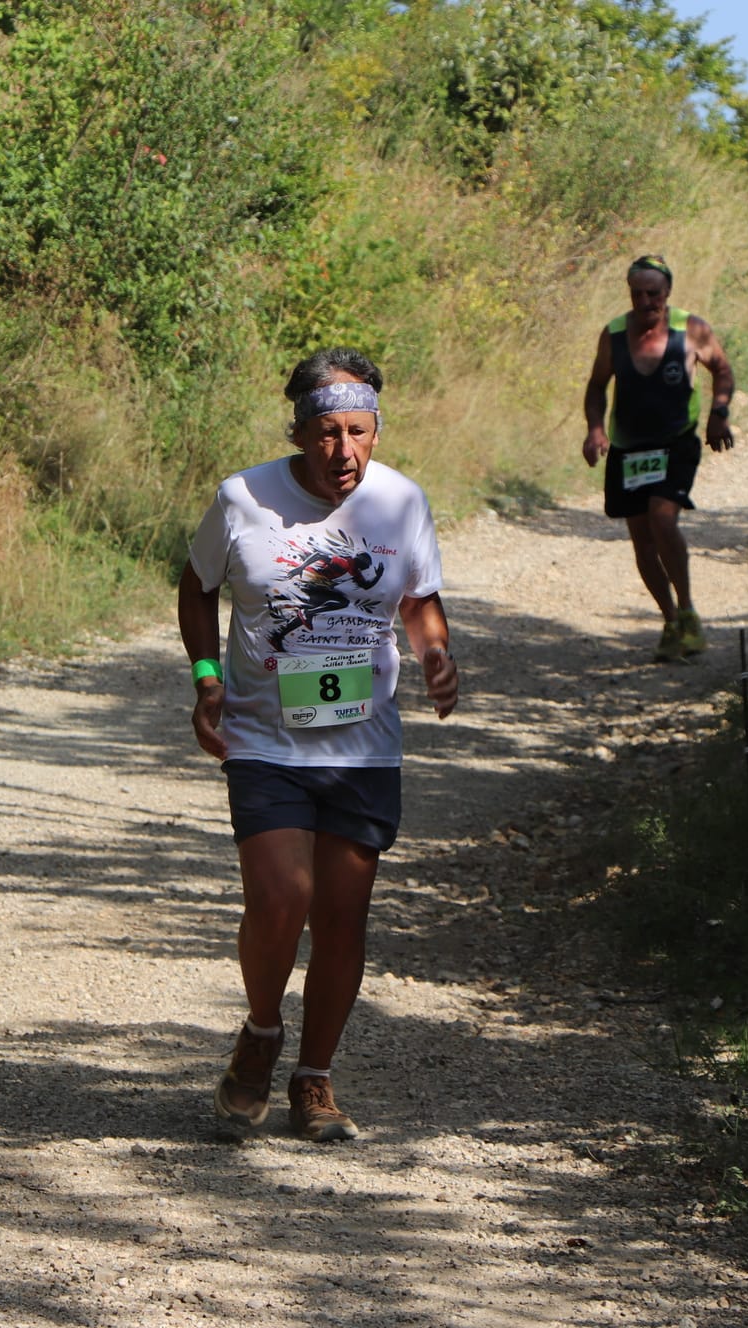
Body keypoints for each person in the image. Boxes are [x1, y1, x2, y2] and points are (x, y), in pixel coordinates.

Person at [178, 348, 458, 1142]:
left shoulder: (402, 502)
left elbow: (420, 601)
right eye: (327, 433)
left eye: (360, 432)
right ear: (298, 432)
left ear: (377, 429)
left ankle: (315, 1078)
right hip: (264, 735)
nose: (345, 453)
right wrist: (206, 679)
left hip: (362, 744)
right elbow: (196, 587)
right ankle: (262, 1032)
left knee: (342, 916)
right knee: (279, 897)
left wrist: (435, 653)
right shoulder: (243, 498)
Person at [582, 255, 736, 660]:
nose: (646, 300)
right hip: (629, 447)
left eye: (654, 293)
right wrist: (595, 429)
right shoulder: (614, 333)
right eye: (637, 293)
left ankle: (687, 611)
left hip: (676, 441)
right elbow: (597, 386)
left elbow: (722, 370)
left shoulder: (692, 329)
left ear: (668, 293)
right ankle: (670, 620)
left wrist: (719, 413)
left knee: (663, 518)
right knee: (642, 540)